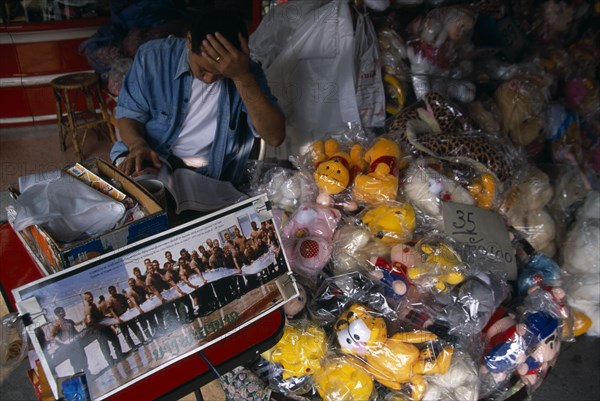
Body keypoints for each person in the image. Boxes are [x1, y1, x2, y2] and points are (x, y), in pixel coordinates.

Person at [111, 9, 285, 195]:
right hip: (152, 155)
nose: (210, 79)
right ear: (188, 40)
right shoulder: (154, 58)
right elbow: (129, 115)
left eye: (220, 73)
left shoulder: (245, 72)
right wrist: (138, 144)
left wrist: (242, 77)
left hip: (209, 173)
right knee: (141, 201)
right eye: (203, 69)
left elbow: (275, 137)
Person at [83, 292, 124, 366]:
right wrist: (96, 326)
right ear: (85, 299)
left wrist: (106, 316)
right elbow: (88, 321)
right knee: (105, 346)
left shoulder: (93, 305)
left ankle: (119, 355)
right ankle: (111, 362)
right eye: (88, 297)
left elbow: (99, 316)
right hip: (99, 330)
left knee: (114, 339)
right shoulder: (88, 308)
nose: (91, 298)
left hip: (103, 326)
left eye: (91, 296)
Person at [48, 307, 89, 376]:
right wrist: (62, 342)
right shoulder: (56, 324)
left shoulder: (69, 321)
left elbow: (75, 330)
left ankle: (88, 374)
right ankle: (79, 377)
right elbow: (52, 337)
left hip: (76, 343)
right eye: (62, 311)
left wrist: (79, 336)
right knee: (75, 363)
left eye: (63, 310)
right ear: (57, 314)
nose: (64, 312)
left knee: (83, 358)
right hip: (69, 347)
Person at [106, 285, 148, 350]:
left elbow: (127, 303)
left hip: (127, 315)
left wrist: (130, 310)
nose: (114, 292)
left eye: (114, 290)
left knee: (135, 328)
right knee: (125, 333)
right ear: (110, 292)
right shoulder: (109, 301)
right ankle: (133, 347)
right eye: (112, 291)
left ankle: (143, 341)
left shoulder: (121, 296)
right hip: (120, 318)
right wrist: (117, 319)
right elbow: (112, 311)